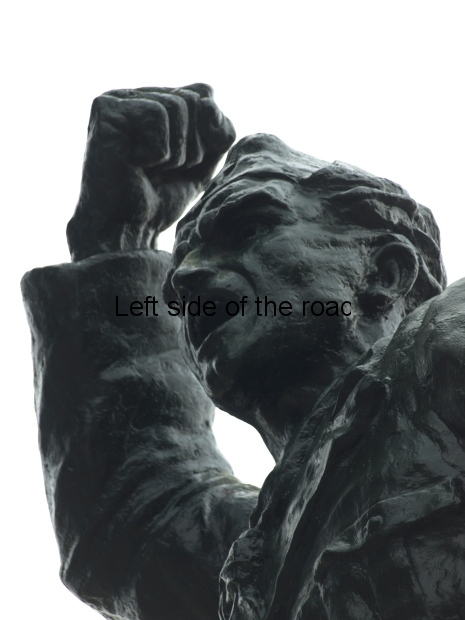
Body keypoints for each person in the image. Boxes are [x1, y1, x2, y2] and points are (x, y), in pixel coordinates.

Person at [22, 85, 465, 619]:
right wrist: (115, 241)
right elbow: (137, 513)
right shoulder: (263, 561)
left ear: (386, 272)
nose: (184, 278)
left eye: (250, 228)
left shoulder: (450, 345)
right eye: (176, 275)